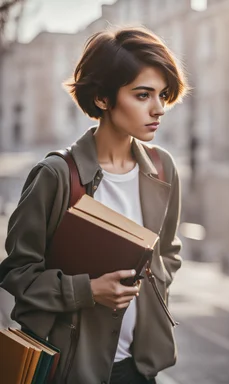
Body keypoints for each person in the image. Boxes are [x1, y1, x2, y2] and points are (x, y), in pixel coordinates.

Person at [0, 26, 188, 384]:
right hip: (70, 369)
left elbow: (169, 251)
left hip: (140, 368)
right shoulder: (55, 175)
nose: (159, 108)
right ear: (102, 98)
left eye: (163, 94)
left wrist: (150, 287)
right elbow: (16, 272)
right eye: (143, 94)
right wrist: (88, 290)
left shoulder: (164, 168)